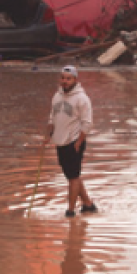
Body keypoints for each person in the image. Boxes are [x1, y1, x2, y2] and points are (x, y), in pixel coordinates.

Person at [44, 66, 96, 218]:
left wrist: (79, 142)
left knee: (73, 177)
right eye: (62, 78)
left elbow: (88, 123)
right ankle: (88, 204)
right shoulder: (57, 96)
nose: (64, 81)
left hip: (74, 142)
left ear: (75, 80)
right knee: (72, 175)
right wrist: (48, 135)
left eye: (68, 78)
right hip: (60, 141)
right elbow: (52, 117)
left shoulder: (82, 98)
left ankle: (70, 211)